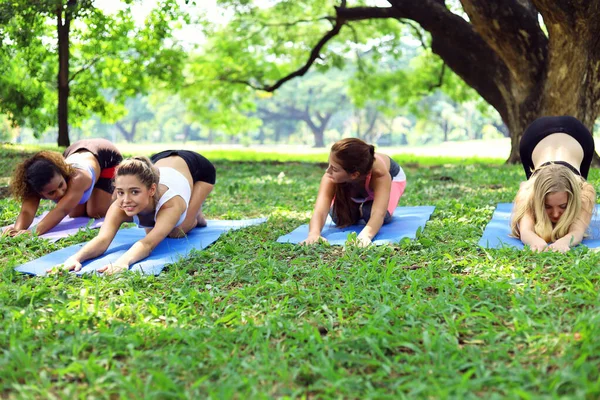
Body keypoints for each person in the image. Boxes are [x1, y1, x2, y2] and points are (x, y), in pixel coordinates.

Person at [53, 150, 215, 274]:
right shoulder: (120, 205)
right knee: (153, 225)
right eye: (121, 192)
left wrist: (122, 262)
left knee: (178, 231)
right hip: (161, 160)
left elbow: (148, 244)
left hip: (199, 169)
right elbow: (102, 239)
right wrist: (75, 257)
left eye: (134, 192)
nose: (126, 200)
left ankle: (196, 213)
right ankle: (187, 207)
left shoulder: (170, 203)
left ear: (152, 189)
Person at [510, 115, 596, 252]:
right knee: (534, 216)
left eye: (563, 206)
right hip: (533, 137)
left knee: (577, 214)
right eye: (547, 206)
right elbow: (526, 231)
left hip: (579, 136)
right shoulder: (528, 192)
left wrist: (565, 241)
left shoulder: (584, 192)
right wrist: (535, 241)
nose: (555, 214)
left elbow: (577, 232)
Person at [4, 138, 122, 236]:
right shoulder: (34, 186)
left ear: (62, 173)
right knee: (76, 214)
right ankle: (93, 192)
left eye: (61, 185)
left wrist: (32, 232)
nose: (60, 193)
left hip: (106, 158)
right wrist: (17, 230)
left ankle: (118, 190)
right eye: (51, 193)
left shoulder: (77, 178)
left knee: (95, 211)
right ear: (39, 192)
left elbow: (62, 210)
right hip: (77, 151)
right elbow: (26, 211)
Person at [301, 138, 407, 247]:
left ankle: (362, 208)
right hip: (354, 178)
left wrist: (365, 236)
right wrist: (313, 234)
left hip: (392, 177)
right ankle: (357, 208)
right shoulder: (332, 173)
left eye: (334, 169)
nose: (328, 171)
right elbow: (320, 210)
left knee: (369, 213)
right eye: (329, 165)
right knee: (338, 217)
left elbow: (378, 213)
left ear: (354, 175)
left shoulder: (380, 173)